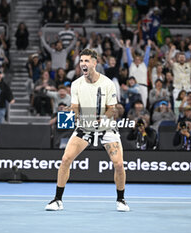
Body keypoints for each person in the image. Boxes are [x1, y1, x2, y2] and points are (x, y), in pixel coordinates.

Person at [45, 49, 130, 212]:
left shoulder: (108, 83)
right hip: (85, 128)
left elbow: (113, 109)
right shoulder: (76, 84)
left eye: (86, 61)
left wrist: (103, 118)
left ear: (94, 63)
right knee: (65, 160)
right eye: (81, 61)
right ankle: (57, 199)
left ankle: (121, 200)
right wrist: (73, 114)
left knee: (118, 164)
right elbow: (76, 107)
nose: (83, 63)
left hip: (106, 128)